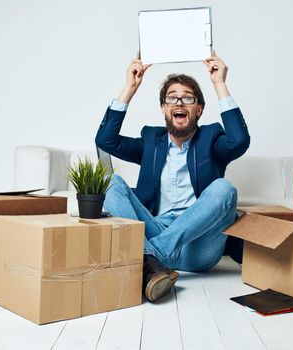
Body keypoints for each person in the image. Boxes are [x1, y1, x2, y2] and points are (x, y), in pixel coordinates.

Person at [95, 51, 250, 302]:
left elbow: (240, 141)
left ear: (199, 109)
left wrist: (219, 83)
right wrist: (129, 87)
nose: (179, 103)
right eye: (172, 98)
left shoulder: (211, 138)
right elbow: (105, 140)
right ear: (163, 108)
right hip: (156, 230)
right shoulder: (151, 141)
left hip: (198, 245)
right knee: (111, 182)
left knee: (224, 188)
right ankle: (152, 262)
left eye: (188, 98)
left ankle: (149, 259)